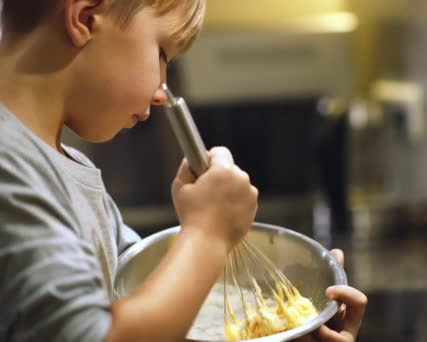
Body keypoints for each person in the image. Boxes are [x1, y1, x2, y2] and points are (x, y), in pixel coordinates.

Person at [0, 0, 367, 341]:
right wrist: (208, 232)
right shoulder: (8, 167)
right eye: (162, 53)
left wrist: (290, 333)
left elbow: (158, 314)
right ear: (84, 17)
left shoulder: (68, 173)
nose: (162, 91)